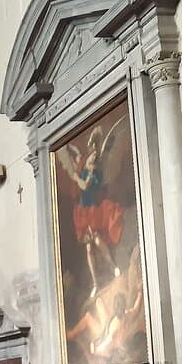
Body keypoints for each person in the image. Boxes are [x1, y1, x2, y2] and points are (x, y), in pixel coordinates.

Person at [61, 122, 125, 298]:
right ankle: (96, 284)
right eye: (91, 157)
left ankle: (113, 267)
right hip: (82, 213)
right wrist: (78, 176)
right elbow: (81, 185)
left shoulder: (96, 175)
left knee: (97, 242)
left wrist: (86, 178)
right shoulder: (83, 173)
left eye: (94, 158)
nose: (92, 159)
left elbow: (90, 186)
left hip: (93, 211)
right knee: (89, 249)